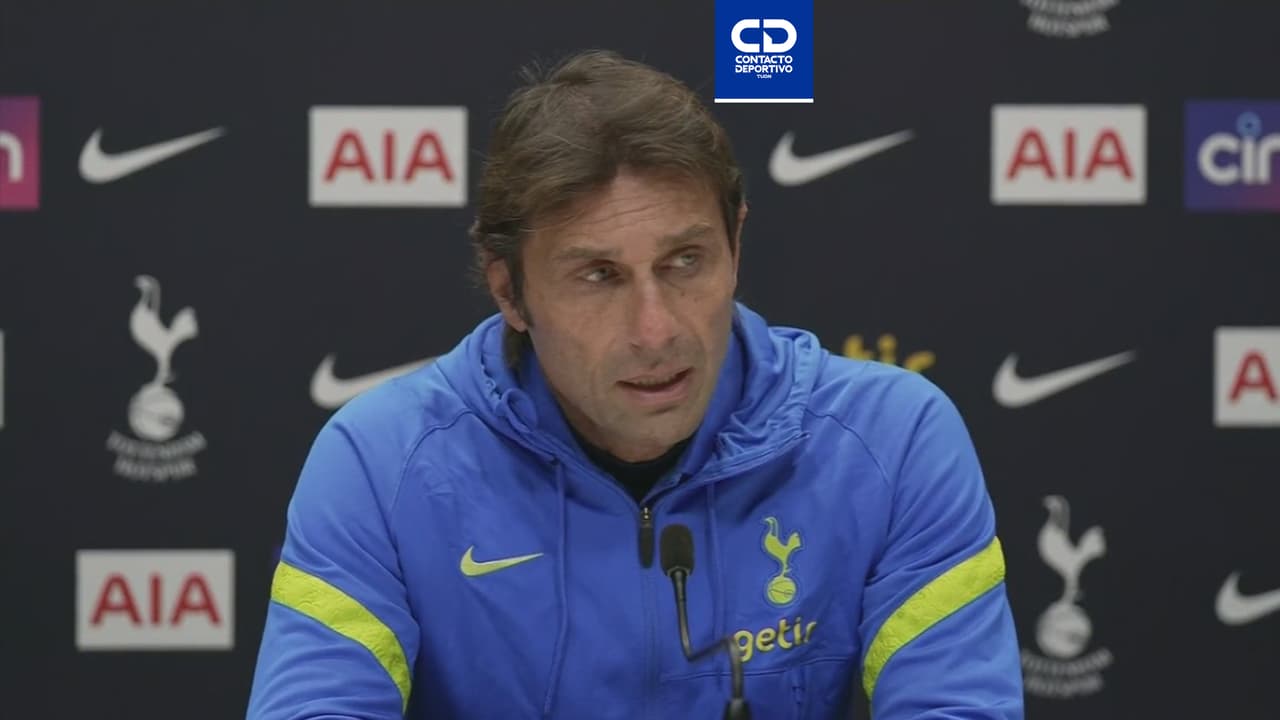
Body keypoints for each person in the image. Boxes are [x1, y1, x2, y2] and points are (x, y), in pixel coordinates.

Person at [246, 49, 1024, 719]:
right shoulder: (381, 463)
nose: (656, 330)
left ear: (735, 245)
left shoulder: (891, 440)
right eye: (598, 275)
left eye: (685, 262)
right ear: (510, 291)